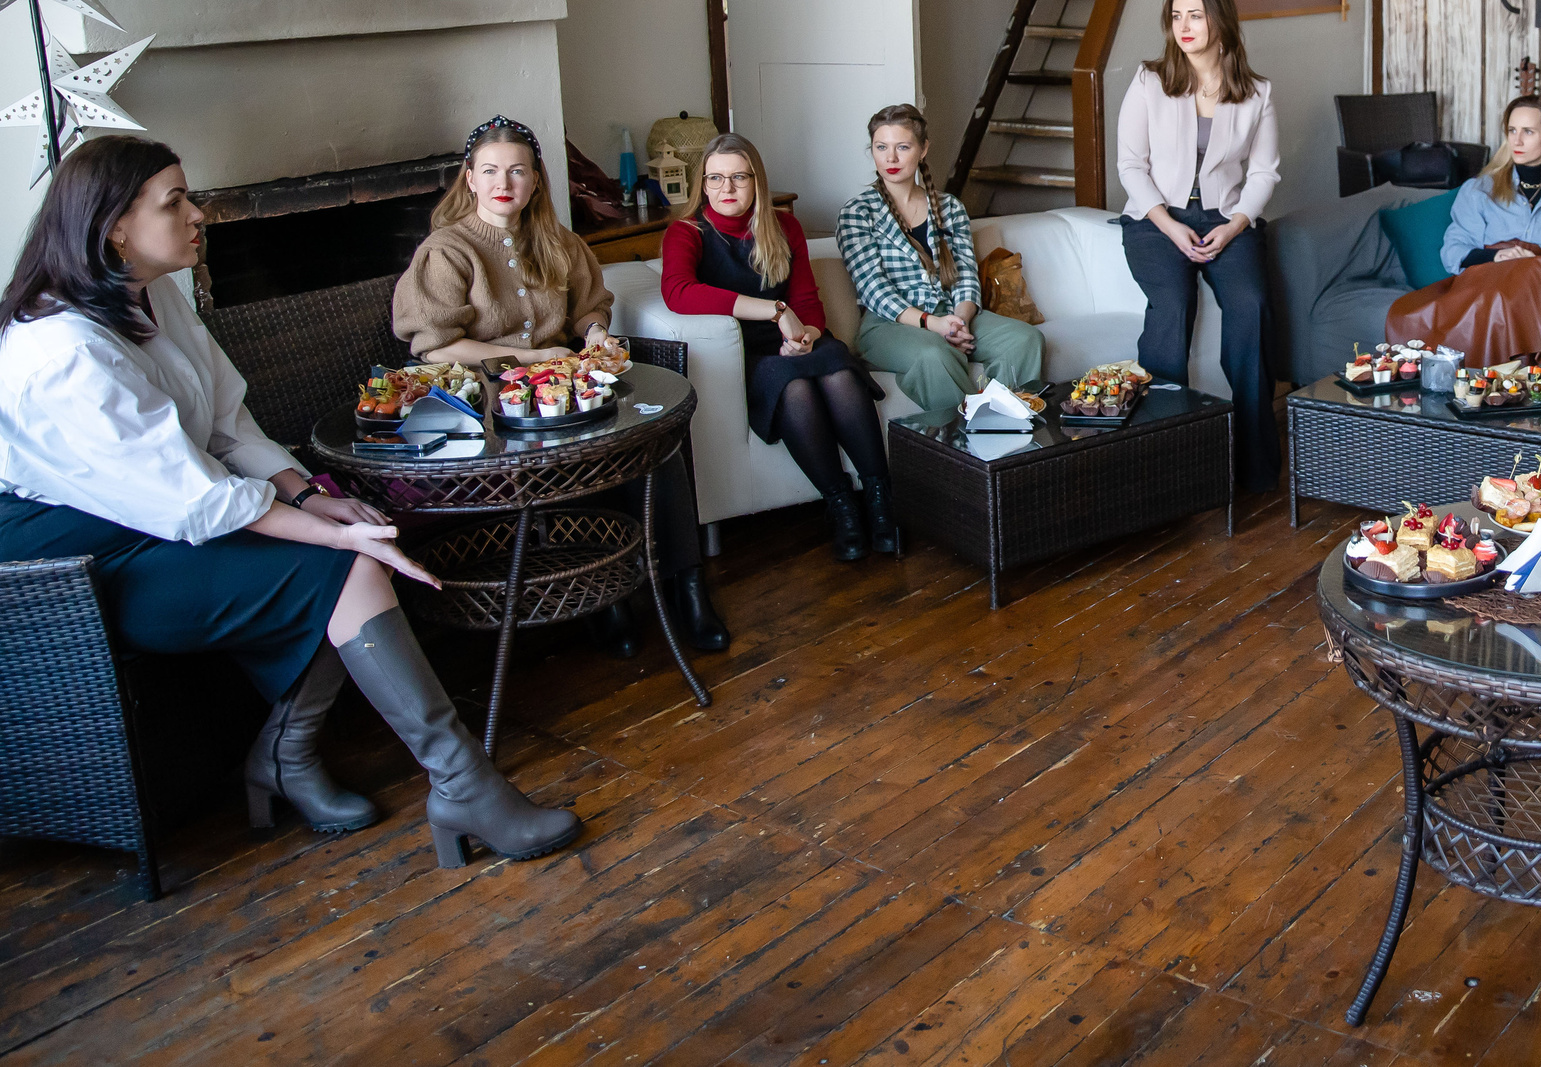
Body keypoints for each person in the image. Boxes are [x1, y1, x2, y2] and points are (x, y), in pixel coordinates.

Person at [0, 136, 579, 867]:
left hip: (158, 521)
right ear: (115, 225)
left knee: (354, 552)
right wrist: (328, 534)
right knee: (349, 564)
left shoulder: (152, 296)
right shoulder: (62, 351)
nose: (198, 213)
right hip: (72, 571)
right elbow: (191, 499)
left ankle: (302, 759)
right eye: (174, 200)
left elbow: (225, 423)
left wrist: (312, 495)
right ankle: (453, 782)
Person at [393, 117, 727, 654]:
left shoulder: (557, 241)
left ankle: (686, 590)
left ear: (536, 180)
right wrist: (527, 357)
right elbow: (435, 346)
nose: (505, 182)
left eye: (518, 171)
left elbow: (590, 308)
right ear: (470, 179)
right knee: (590, 455)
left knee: (655, 446)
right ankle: (608, 599)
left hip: (565, 389)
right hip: (494, 407)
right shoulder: (448, 250)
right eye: (492, 171)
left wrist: (596, 335)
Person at [669, 132, 898, 564]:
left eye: (738, 177)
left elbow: (808, 300)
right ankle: (841, 507)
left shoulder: (783, 226)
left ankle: (880, 497)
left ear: (757, 181)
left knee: (839, 373)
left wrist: (807, 333)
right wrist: (775, 311)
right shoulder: (687, 233)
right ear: (702, 183)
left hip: (798, 337)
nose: (726, 189)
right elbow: (679, 292)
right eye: (714, 179)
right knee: (794, 389)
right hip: (750, 354)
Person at [1115, 0, 1282, 492]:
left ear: (1219, 19)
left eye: (1195, 14)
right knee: (1171, 305)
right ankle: (1164, 462)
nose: (1184, 26)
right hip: (1155, 220)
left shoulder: (1257, 93)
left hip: (1227, 220)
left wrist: (1234, 227)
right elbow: (1130, 165)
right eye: (1176, 16)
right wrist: (1167, 225)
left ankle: (1254, 466)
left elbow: (1263, 174)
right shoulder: (1148, 80)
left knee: (1252, 306)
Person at [837, 103, 1044, 425]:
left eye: (902, 147)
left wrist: (959, 319)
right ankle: (972, 438)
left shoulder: (949, 207)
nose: (890, 159)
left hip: (950, 313)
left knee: (1025, 339)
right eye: (881, 147)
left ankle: (1006, 423)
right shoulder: (858, 212)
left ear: (922, 150)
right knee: (934, 353)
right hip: (889, 325)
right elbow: (874, 289)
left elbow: (965, 275)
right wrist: (934, 325)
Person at [1381, 93, 1541, 366]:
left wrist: (1539, 266)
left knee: (1500, 300)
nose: (1517, 141)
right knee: (1422, 312)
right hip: (1487, 284)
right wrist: (1497, 257)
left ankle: (1480, 389)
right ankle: (1491, 388)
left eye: (1528, 131)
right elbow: (1453, 253)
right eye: (1512, 130)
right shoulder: (1479, 189)